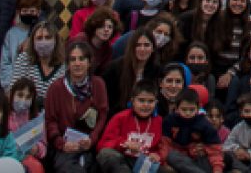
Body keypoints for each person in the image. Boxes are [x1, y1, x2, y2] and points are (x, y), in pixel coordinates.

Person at [48, 40, 113, 173]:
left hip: (90, 144)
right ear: (68, 64)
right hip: (65, 147)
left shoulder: (98, 84)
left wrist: (92, 139)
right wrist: (61, 143)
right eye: (73, 59)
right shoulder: (56, 88)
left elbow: (102, 116)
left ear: (89, 62)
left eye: (81, 59)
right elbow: (50, 121)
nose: (77, 63)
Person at [100, 78, 169, 171]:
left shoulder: (160, 121)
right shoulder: (120, 117)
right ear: (133, 101)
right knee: (106, 154)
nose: (146, 105)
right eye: (141, 100)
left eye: (150, 101)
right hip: (123, 159)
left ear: (156, 103)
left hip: (146, 161)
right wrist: (124, 144)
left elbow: (164, 145)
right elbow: (102, 144)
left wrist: (158, 156)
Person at [163, 86, 225, 173]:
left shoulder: (205, 125)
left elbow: (215, 151)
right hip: (179, 160)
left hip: (198, 159)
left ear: (198, 108)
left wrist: (217, 170)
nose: (188, 113)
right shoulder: (169, 121)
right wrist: (164, 162)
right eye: (184, 109)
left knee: (225, 156)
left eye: (191, 109)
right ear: (176, 108)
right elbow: (165, 144)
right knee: (172, 156)